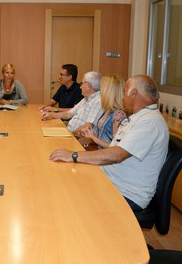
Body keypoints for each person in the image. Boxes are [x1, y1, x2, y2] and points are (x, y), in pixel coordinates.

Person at [50, 75, 169, 211]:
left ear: (134, 93)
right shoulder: (138, 118)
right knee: (65, 179)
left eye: (125, 94)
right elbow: (113, 148)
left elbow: (117, 154)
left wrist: (74, 155)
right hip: (110, 180)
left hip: (126, 193)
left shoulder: (150, 122)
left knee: (67, 198)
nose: (123, 98)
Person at [80, 75, 127, 149]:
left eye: (101, 90)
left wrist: (94, 138)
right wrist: (90, 135)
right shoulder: (107, 110)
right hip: (100, 153)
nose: (99, 93)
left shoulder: (119, 115)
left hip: (106, 158)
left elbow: (116, 147)